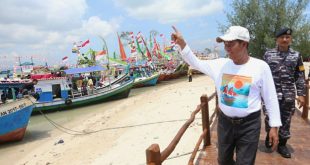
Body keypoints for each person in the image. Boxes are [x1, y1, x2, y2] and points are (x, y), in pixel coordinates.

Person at [171, 25, 282, 165]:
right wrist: (182, 44)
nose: (227, 48)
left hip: (249, 125)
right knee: (223, 160)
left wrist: (274, 126)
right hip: (225, 123)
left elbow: (270, 97)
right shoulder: (220, 65)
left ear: (244, 44)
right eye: (225, 44)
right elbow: (195, 63)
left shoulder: (260, 67)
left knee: (245, 162)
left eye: (231, 44)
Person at [263, 27, 306, 158]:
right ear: (277, 39)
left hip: (288, 94)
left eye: (287, 37)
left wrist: (301, 94)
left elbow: (300, 75)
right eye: (282, 37)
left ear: (290, 39)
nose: (285, 39)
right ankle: (269, 134)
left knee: (286, 119)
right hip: (271, 94)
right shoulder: (268, 55)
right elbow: (262, 74)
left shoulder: (296, 55)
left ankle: (282, 144)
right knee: (269, 116)